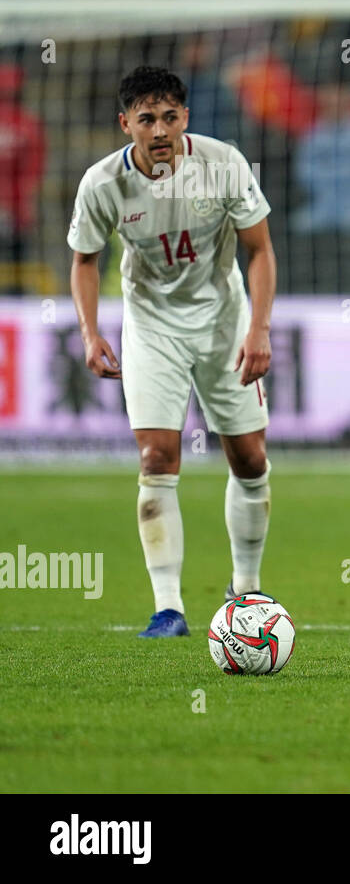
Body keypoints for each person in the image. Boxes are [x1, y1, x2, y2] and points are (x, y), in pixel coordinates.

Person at [67, 66, 277, 638]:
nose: (159, 130)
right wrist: (90, 333)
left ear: (184, 118)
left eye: (169, 117)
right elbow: (86, 260)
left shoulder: (223, 164)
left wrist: (258, 330)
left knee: (250, 459)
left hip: (224, 320)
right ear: (125, 124)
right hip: (152, 325)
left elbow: (259, 251)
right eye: (146, 119)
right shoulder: (103, 183)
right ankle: (169, 609)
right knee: (157, 457)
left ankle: (246, 591)